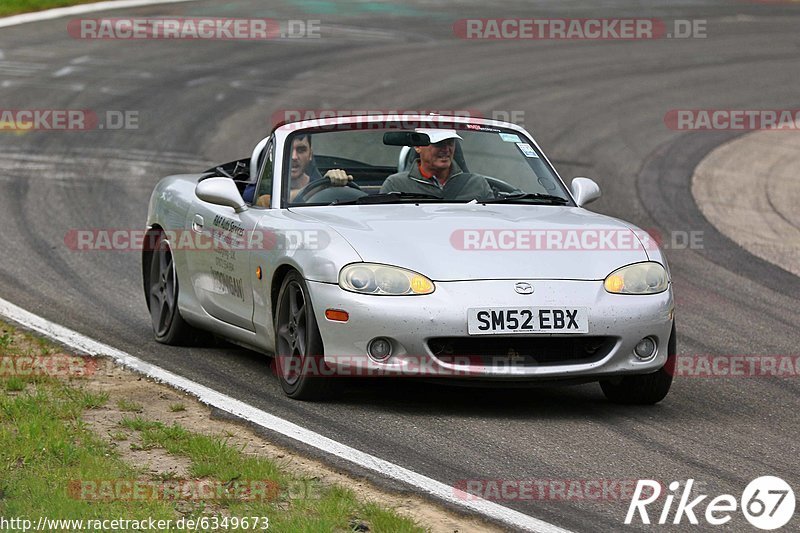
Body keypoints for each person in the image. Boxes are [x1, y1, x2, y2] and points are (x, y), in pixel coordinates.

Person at [380, 129, 493, 201]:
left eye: (450, 143)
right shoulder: (396, 185)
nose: (446, 149)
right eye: (438, 144)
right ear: (418, 147)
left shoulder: (478, 184)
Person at [244, 133, 352, 207]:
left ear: (310, 154)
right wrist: (320, 189)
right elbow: (248, 201)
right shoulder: (261, 187)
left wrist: (335, 183)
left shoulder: (323, 184)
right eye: (289, 150)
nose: (294, 157)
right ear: (275, 155)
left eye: (301, 150)